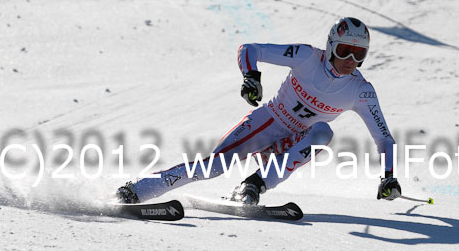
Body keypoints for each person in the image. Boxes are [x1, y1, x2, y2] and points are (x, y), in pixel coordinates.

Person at [116, 17, 401, 205]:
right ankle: (137, 190)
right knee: (213, 166)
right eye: (344, 51)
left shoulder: (361, 91)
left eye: (359, 53)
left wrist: (388, 176)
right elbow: (250, 49)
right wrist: (251, 77)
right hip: (267, 123)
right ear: (330, 47)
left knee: (322, 132)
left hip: (293, 145)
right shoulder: (306, 57)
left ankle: (252, 186)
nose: (350, 60)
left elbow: (384, 139)